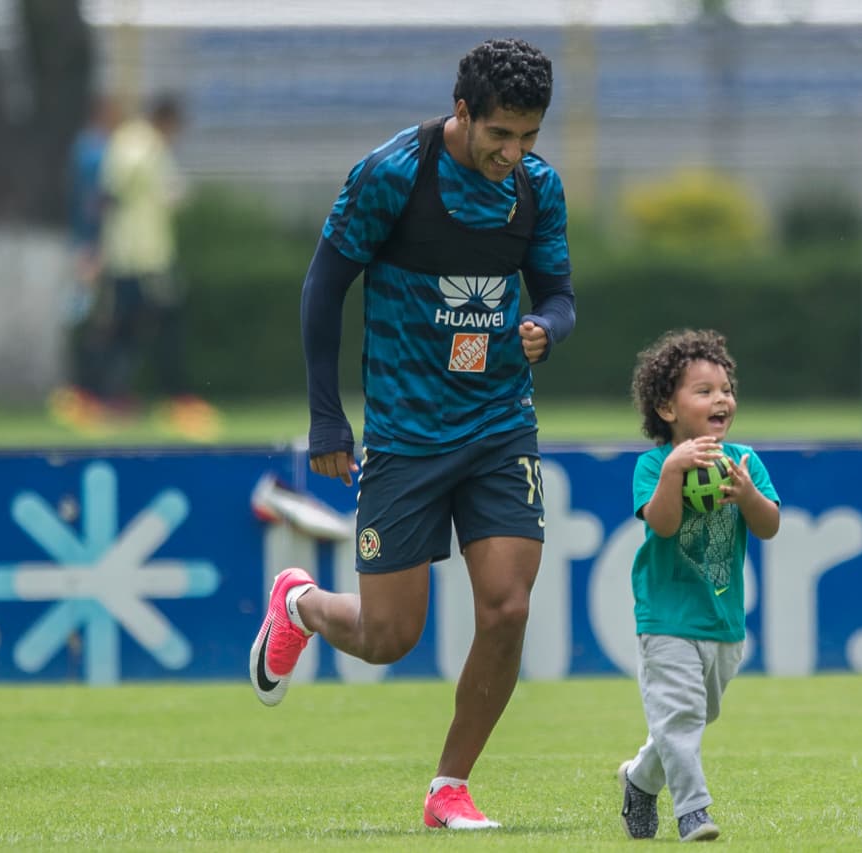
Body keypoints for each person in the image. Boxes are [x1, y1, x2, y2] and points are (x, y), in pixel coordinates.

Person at [249, 38, 576, 831]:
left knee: (506, 608)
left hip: (500, 425)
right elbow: (323, 287)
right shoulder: (394, 173)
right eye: (501, 134)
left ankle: (449, 787)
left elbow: (560, 294)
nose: (514, 153)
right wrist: (328, 415)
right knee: (390, 635)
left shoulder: (536, 189)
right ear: (463, 113)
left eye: (530, 136)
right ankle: (301, 606)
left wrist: (545, 328)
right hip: (403, 431)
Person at [618, 329, 780, 842]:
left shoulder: (744, 460)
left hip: (724, 620)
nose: (722, 399)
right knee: (681, 715)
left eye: (726, 388)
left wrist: (749, 495)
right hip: (666, 615)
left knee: (694, 716)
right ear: (667, 407)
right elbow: (662, 524)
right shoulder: (652, 465)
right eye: (704, 390)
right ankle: (693, 810)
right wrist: (671, 473)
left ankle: (640, 780)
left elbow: (770, 525)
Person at [96, 92, 221, 440]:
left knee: (130, 329)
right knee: (160, 327)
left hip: (132, 255)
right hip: (143, 256)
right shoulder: (143, 144)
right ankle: (174, 401)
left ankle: (114, 399)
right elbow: (121, 188)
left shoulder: (131, 141)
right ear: (167, 120)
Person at [48, 94, 120, 434]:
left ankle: (82, 393)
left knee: (87, 317)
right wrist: (96, 246)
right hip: (91, 248)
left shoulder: (82, 148)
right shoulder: (97, 152)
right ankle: (82, 395)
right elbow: (96, 202)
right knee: (91, 320)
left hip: (83, 244)